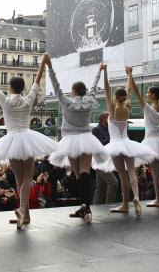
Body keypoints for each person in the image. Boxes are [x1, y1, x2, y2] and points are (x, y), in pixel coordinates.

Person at [0, 53, 56, 229]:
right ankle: (25, 214)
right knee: (27, 179)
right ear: (22, 88)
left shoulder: (5, 100)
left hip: (13, 140)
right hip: (28, 139)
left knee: (21, 180)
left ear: (10, 88)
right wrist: (43, 62)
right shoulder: (28, 99)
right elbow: (37, 81)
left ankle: (22, 210)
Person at [46, 56, 109, 223]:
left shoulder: (67, 103)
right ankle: (85, 208)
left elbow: (56, 86)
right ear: (84, 91)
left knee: (77, 176)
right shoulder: (89, 102)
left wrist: (50, 68)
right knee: (85, 174)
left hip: (71, 141)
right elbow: (94, 88)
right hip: (87, 140)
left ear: (73, 91)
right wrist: (99, 72)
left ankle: (85, 207)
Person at [100, 64, 157, 216]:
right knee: (132, 172)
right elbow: (128, 90)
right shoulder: (126, 107)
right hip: (128, 144)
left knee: (122, 175)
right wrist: (130, 75)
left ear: (115, 97)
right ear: (124, 97)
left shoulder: (113, 109)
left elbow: (106, 89)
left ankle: (125, 204)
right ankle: (136, 197)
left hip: (115, 145)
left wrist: (105, 71)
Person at [126, 71, 159, 210]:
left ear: (154, 95)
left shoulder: (148, 109)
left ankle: (158, 198)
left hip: (151, 141)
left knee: (155, 173)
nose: (146, 94)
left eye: (148, 92)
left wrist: (130, 76)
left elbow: (136, 93)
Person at [91, 112, 118, 205]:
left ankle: (96, 206)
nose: (110, 120)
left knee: (100, 188)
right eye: (108, 118)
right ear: (103, 119)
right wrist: (111, 137)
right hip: (99, 161)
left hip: (106, 161)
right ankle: (108, 204)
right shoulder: (95, 130)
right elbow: (100, 145)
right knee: (113, 182)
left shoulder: (108, 129)